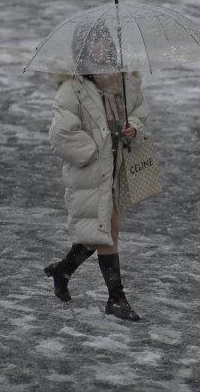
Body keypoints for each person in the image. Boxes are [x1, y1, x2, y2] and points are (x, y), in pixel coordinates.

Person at [44, 19, 149, 322]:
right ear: (82, 47)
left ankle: (63, 270)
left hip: (115, 168)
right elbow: (60, 134)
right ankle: (116, 299)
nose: (99, 46)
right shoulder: (73, 88)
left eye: (103, 40)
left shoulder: (121, 82)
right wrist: (93, 151)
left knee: (99, 231)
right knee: (107, 231)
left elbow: (139, 112)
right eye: (92, 41)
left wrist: (133, 127)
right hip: (90, 173)